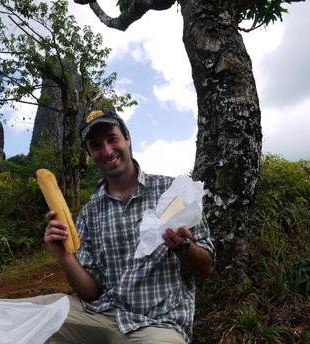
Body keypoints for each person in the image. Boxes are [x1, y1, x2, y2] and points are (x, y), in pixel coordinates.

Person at [42, 109, 215, 344]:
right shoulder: (88, 214)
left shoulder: (173, 193)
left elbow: (206, 268)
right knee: (28, 317)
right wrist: (63, 255)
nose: (107, 151)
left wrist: (183, 246)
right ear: (89, 154)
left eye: (112, 139)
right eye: (96, 145)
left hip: (158, 326)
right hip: (101, 317)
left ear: (127, 138)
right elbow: (91, 292)